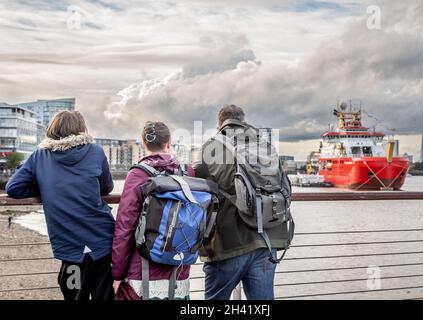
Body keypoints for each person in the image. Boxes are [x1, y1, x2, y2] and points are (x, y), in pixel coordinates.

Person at [6, 111, 115, 300]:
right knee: (104, 296)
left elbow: (14, 188)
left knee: (74, 296)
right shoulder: (95, 151)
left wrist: (47, 188)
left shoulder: (40, 156)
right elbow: (107, 186)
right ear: (81, 129)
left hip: (70, 245)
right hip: (102, 240)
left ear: (52, 129)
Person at [195, 105, 291, 300]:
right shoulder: (265, 146)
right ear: (243, 120)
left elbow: (197, 190)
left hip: (229, 244)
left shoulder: (212, 147)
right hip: (267, 240)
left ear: (219, 124)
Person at [112, 121, 195, 300]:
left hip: (143, 271)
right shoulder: (187, 171)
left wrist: (117, 273)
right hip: (179, 269)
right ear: (169, 141)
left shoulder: (138, 174)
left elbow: (125, 227)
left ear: (144, 143)